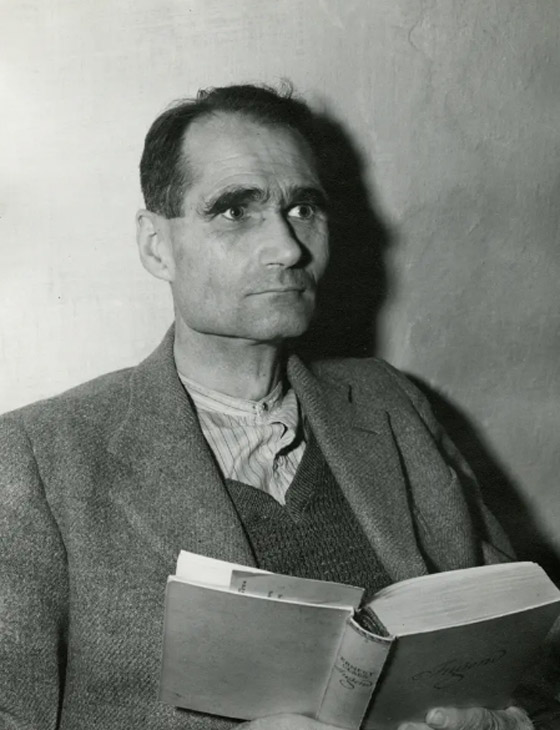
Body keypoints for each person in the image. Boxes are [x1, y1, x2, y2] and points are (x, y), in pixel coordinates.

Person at [0, 84, 555, 730]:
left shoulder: (389, 402)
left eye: (303, 209)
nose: (289, 248)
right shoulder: (38, 458)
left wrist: (508, 719)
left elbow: (532, 647)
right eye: (235, 211)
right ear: (156, 245)